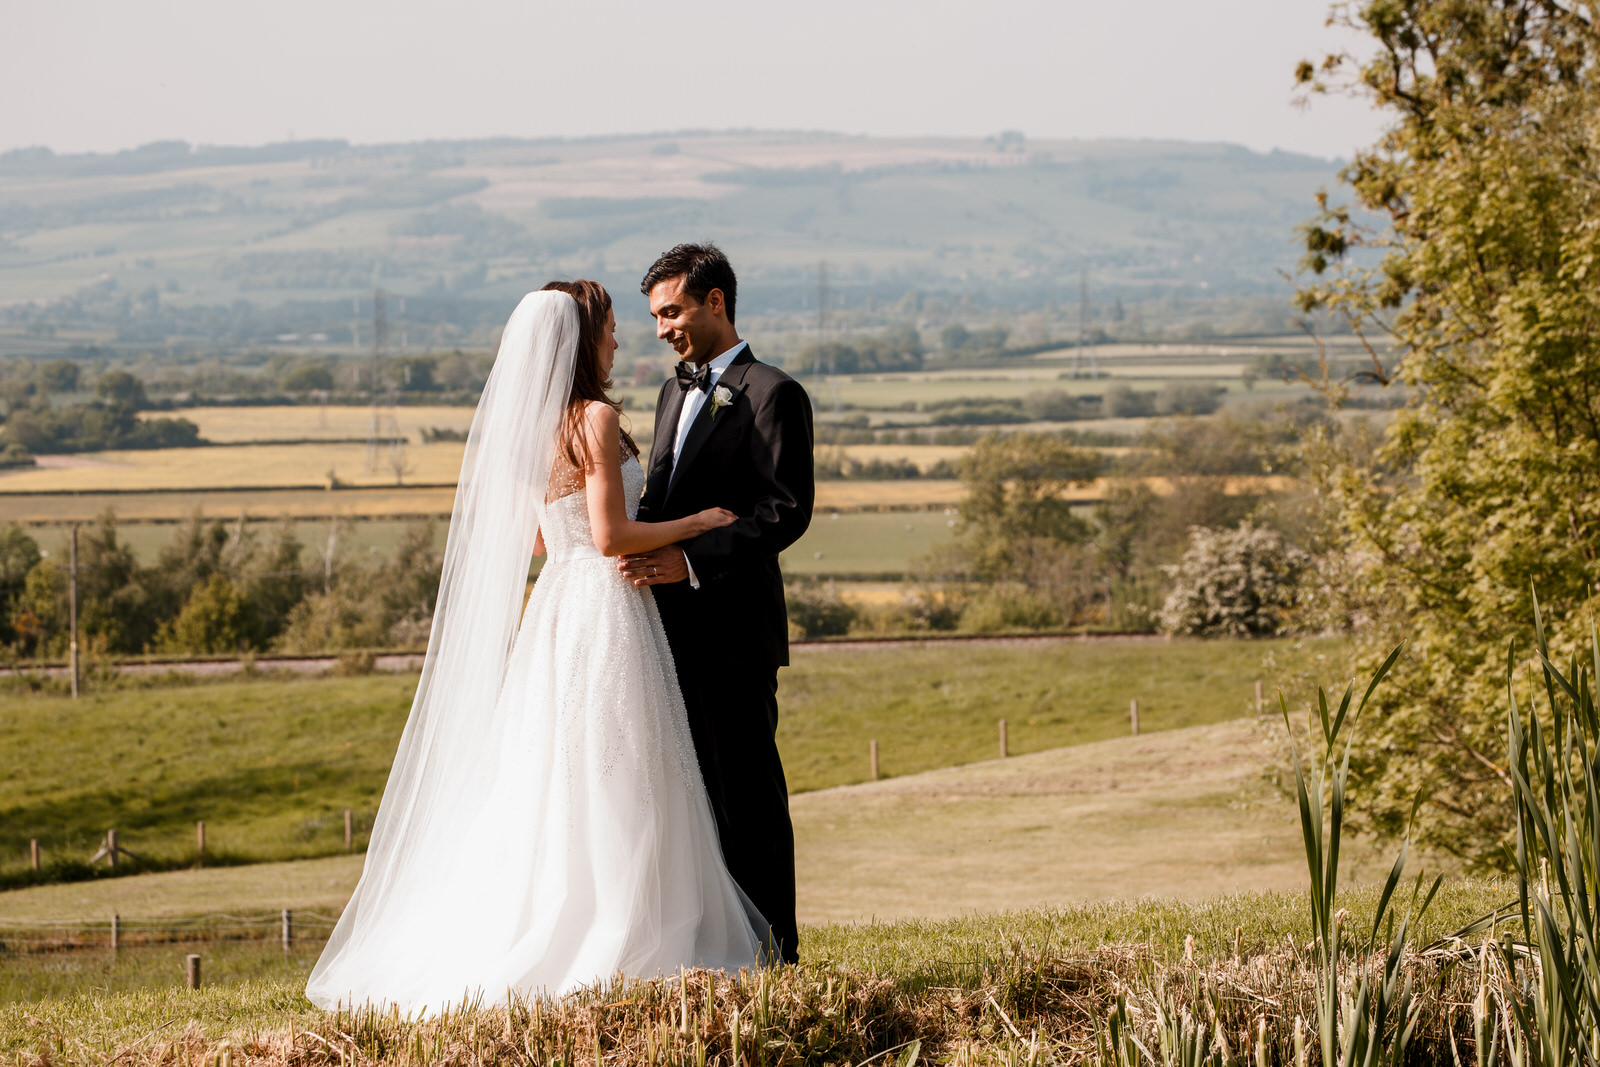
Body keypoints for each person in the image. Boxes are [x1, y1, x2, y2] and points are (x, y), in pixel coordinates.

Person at [305, 281, 764, 1016]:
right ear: (587, 340)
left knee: (556, 770)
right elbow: (612, 537)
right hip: (608, 605)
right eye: (612, 330)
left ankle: (565, 913)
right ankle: (628, 927)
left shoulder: (532, 428)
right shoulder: (596, 417)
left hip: (555, 608)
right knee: (624, 769)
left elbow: (543, 539)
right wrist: (695, 523)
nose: (619, 342)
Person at [622, 243, 815, 963]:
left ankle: (775, 953)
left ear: (715, 302)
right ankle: (713, 950)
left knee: (747, 798)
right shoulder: (674, 391)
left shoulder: (773, 393)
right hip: (665, 630)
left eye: (671, 311)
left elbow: (785, 510)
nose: (663, 327)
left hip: (733, 631)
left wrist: (691, 561)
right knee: (690, 801)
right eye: (654, 316)